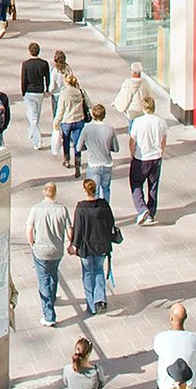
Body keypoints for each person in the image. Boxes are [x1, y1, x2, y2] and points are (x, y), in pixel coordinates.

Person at [66, 177, 121, 316]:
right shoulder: (104, 205)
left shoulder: (81, 208)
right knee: (99, 271)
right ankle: (101, 299)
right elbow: (111, 223)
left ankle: (91, 304)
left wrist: (74, 245)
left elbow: (78, 229)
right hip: (102, 245)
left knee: (88, 274)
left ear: (85, 190)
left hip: (86, 247)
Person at [27, 182, 70, 327]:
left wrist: (32, 244)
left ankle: (49, 315)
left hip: (41, 251)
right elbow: (69, 230)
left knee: (43, 280)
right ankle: (52, 296)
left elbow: (29, 230)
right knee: (53, 274)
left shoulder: (36, 209)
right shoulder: (62, 209)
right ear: (55, 193)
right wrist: (72, 244)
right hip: (57, 251)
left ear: (44, 192)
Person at [127, 103, 168, 224]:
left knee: (136, 183)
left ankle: (142, 208)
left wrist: (132, 153)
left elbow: (132, 139)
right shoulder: (161, 121)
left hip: (141, 157)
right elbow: (163, 140)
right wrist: (161, 152)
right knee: (153, 186)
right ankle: (151, 213)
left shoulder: (138, 122)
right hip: (156, 157)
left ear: (143, 108)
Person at [152, 302, 196, 389]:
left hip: (165, 385)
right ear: (185, 317)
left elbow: (158, 351)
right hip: (189, 385)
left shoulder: (161, 337)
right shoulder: (194, 338)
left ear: (171, 318)